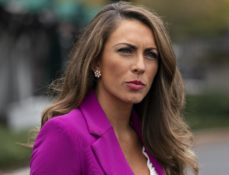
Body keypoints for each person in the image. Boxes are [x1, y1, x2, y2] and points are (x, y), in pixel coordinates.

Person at [30, 2, 199, 175]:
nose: (140, 66)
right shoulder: (65, 134)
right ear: (96, 61)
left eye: (150, 54)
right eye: (126, 51)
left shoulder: (153, 136)